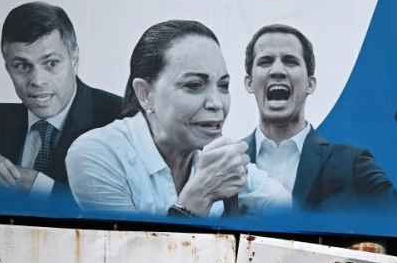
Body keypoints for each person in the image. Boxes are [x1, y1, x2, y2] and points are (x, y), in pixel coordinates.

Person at [67, 20, 290, 218]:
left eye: (223, 86)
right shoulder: (95, 152)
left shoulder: (216, 157)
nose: (217, 103)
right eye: (194, 85)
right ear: (145, 94)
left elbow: (286, 208)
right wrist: (200, 194)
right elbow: (131, 256)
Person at [0, 2, 122, 199]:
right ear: (7, 68)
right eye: (22, 66)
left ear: (74, 58)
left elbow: (128, 209)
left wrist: (37, 184)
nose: (37, 81)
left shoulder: (120, 120)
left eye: (51, 63)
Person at [239, 23, 397, 213]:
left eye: (290, 61)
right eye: (265, 61)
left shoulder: (353, 165)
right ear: (249, 83)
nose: (277, 70)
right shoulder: (225, 163)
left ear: (310, 84)